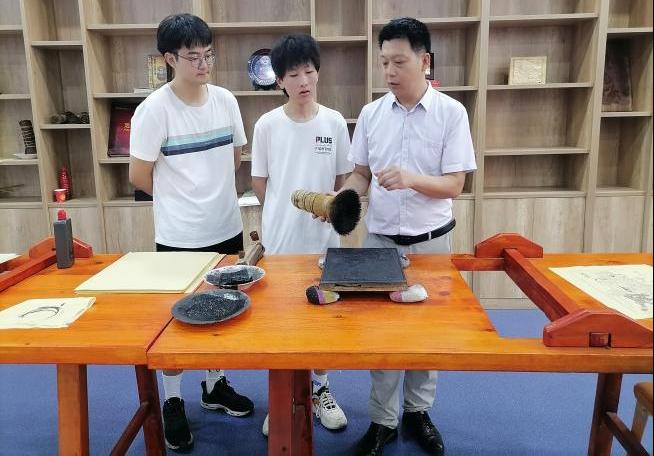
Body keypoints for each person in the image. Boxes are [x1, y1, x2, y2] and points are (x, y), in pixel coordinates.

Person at [340, 17, 477, 456]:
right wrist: (342, 197)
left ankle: (418, 413)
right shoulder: (371, 114)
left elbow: (455, 184)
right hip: (380, 240)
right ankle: (382, 420)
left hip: (432, 241)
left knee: (427, 334)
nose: (389, 71)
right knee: (381, 336)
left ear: (424, 61)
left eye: (398, 62)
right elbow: (360, 174)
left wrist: (412, 179)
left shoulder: (451, 113)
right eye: (384, 62)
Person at [128, 13, 254, 453]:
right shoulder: (154, 110)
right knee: (178, 322)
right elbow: (139, 176)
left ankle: (214, 386)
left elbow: (234, 160)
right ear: (169, 59)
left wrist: (209, 196)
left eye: (209, 55)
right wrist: (180, 202)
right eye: (193, 57)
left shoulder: (226, 101)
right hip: (179, 235)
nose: (204, 64)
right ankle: (173, 400)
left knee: (224, 311)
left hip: (226, 227)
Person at [250, 33, 352, 437]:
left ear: (317, 72)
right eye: (293, 75)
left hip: (324, 242)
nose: (303, 81)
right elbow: (260, 183)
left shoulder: (334, 122)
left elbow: (342, 181)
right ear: (279, 81)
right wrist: (279, 215)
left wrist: (329, 206)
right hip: (280, 243)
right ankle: (282, 397)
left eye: (309, 71)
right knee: (280, 323)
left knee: (323, 322)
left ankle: (320, 390)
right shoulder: (267, 125)